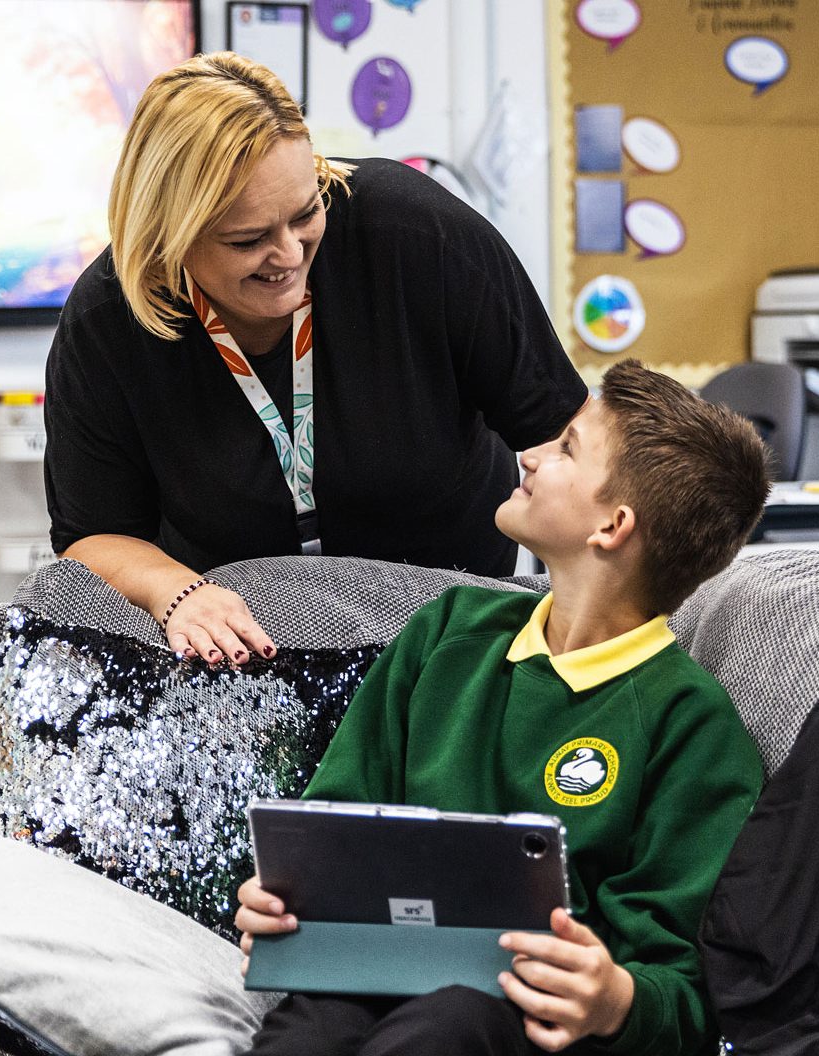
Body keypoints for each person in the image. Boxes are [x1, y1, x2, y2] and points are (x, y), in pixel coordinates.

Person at [235, 360, 772, 1056]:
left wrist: (616, 1000)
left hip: (529, 1027)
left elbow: (692, 991)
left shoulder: (692, 726)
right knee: (312, 1029)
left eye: (566, 448)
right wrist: (283, 897)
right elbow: (333, 819)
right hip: (368, 981)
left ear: (612, 525)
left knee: (449, 1023)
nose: (530, 454)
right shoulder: (448, 629)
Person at [44, 53, 586, 668]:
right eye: (247, 239)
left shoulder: (415, 235)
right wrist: (177, 593)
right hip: (240, 650)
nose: (289, 254)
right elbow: (92, 535)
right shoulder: (107, 322)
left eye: (306, 213)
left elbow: (573, 439)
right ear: (169, 234)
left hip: (451, 628)